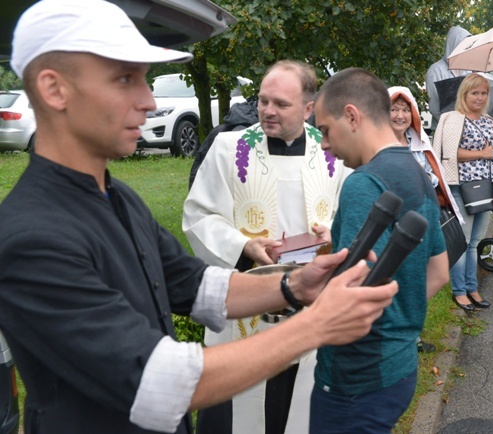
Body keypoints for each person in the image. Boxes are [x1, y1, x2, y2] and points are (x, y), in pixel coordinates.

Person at [0, 1, 398, 433]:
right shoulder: (33, 237)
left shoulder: (118, 198)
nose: (150, 102)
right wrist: (317, 326)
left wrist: (294, 285)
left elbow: (195, 285)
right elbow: (155, 382)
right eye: (124, 79)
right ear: (53, 89)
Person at [183, 60, 348, 434]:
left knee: (296, 405)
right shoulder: (229, 148)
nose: (268, 111)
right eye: (263, 100)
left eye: (281, 104)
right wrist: (244, 246)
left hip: (310, 304)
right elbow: (198, 216)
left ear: (308, 108)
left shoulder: (331, 153)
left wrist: (333, 235)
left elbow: (349, 214)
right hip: (246, 303)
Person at [311, 68, 449, 433]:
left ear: (353, 116)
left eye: (325, 130)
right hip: (398, 368)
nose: (324, 144)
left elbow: (347, 298)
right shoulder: (416, 170)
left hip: (354, 378)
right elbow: (438, 271)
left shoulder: (362, 183)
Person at [432, 73, 493, 311]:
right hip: (460, 185)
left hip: (485, 186)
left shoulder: (488, 120)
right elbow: (447, 152)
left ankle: (472, 288)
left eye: (484, 93)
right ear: (465, 94)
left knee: (474, 242)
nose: (480, 97)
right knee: (461, 242)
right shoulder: (451, 119)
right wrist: (480, 154)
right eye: (475, 93)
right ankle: (459, 291)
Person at [386, 85, 457, 351]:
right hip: (390, 223)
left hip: (417, 220)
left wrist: (421, 178)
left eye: (405, 110)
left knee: (420, 277)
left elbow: (433, 176)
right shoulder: (375, 144)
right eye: (394, 109)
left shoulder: (418, 143)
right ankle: (394, 332)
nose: (400, 115)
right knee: (393, 277)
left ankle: (410, 333)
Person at [425, 26, 471, 132]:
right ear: (452, 44)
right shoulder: (436, 70)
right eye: (462, 44)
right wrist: (453, 125)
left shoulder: (468, 71)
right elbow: (434, 107)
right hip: (443, 131)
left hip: (467, 131)